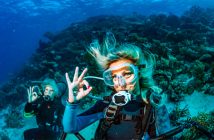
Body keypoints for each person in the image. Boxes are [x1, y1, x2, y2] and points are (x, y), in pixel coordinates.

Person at [63, 32, 171, 140]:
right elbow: (70, 128)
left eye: (127, 74)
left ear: (139, 72)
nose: (120, 83)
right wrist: (71, 103)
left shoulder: (154, 104)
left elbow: (166, 135)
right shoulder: (105, 105)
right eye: (114, 77)